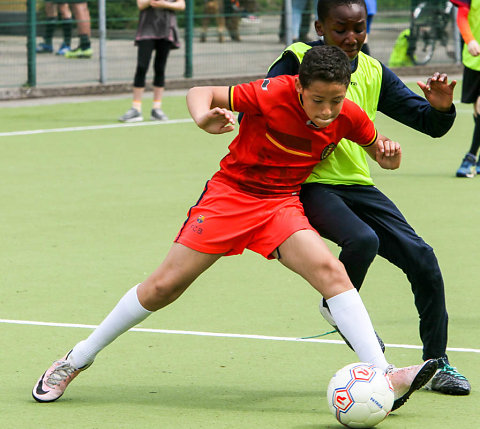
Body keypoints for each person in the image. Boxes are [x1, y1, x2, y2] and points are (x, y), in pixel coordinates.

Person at [32, 45, 437, 411]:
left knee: (332, 272)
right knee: (163, 288)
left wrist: (389, 156)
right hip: (231, 197)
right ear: (298, 87)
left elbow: (380, 153)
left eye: (336, 99)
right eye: (318, 100)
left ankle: (382, 372)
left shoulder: (347, 114)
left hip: (280, 204)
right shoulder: (272, 92)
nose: (328, 110)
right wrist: (202, 117)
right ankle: (76, 359)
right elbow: (200, 93)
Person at [267, 0, 471, 395]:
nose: (351, 38)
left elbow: (427, 122)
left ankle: (438, 362)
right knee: (362, 239)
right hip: (307, 182)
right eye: (340, 28)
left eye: (358, 28)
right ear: (320, 27)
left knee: (423, 259)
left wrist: (441, 109)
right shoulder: (296, 62)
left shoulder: (373, 70)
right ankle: (338, 305)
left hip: (357, 184)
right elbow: (258, 112)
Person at [118, 0, 185, 123]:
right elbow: (140, 4)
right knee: (142, 66)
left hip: (166, 30)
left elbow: (181, 5)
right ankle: (136, 108)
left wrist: (164, 4)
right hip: (146, 30)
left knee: (160, 68)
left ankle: (156, 108)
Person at [452, 0, 480, 177]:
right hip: (473, 60)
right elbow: (462, 16)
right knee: (477, 114)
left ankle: (470, 157)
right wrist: (469, 40)